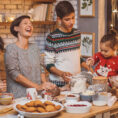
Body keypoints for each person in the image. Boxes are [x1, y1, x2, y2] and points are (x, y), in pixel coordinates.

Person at [44, 1, 93, 88]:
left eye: (73, 18)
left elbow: (78, 57)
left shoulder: (77, 33)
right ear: (59, 19)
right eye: (67, 19)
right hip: (58, 85)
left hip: (77, 82)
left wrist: (88, 67)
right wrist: (62, 74)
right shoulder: (52, 37)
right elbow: (48, 64)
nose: (72, 22)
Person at [4, 15, 56, 98]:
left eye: (31, 24)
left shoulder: (34, 47)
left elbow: (41, 67)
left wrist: (44, 83)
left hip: (36, 95)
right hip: (18, 97)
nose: (29, 25)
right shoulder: (11, 49)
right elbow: (15, 74)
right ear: (16, 28)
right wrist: (38, 87)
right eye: (25, 23)